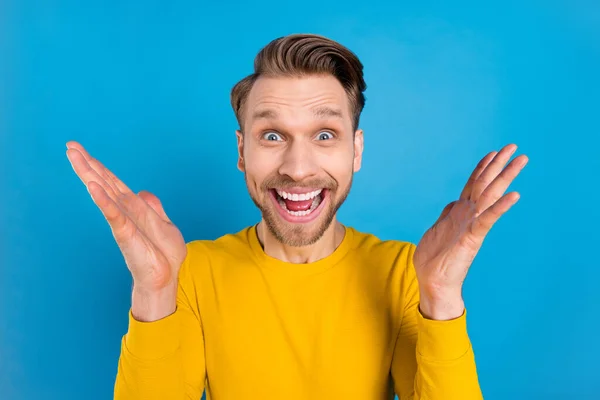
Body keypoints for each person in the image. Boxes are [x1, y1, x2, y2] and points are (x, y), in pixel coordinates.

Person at [66, 34, 528, 400]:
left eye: (325, 134)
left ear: (357, 150)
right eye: (271, 136)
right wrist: (154, 293)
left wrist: (442, 298)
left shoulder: (405, 273)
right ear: (241, 150)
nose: (299, 168)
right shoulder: (190, 272)